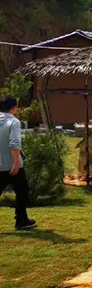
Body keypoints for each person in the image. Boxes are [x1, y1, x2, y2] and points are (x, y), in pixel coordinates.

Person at [0, 97, 36, 230]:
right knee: (22, 192)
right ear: (14, 108)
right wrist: (16, 163)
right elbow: (14, 143)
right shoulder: (14, 122)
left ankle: (22, 219)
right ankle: (21, 220)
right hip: (12, 164)